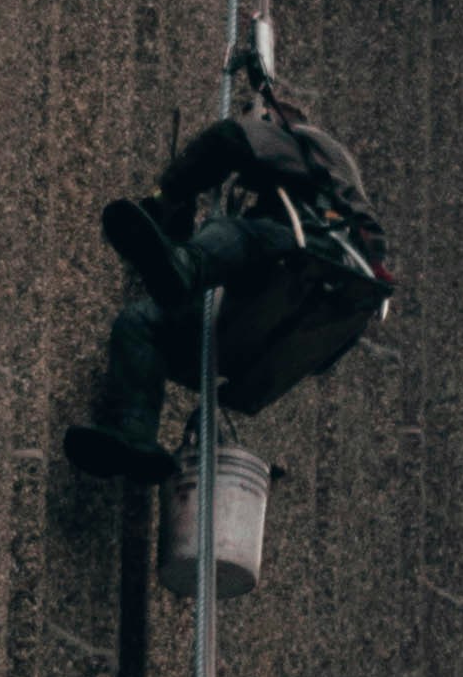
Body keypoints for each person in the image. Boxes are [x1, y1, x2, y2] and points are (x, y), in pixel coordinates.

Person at [64, 44, 395, 483]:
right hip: (262, 347)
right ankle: (133, 434)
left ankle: (186, 265)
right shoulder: (325, 193)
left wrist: (168, 196)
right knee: (141, 322)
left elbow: (228, 142)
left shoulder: (307, 143)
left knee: (240, 234)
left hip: (311, 267)